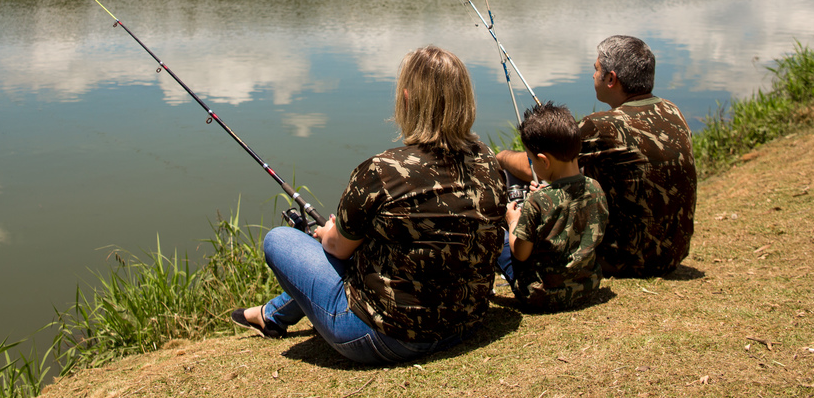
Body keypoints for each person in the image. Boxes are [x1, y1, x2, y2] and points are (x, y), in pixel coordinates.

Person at [232, 45, 506, 364]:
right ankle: (271, 315)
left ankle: (271, 315)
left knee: (280, 240)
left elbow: (338, 251)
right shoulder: (488, 161)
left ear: (406, 99)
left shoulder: (381, 171)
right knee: (368, 241)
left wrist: (329, 234)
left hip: (386, 338)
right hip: (464, 324)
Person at [496, 35, 697, 278]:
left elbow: (539, 168)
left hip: (624, 260)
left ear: (611, 79)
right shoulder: (672, 110)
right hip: (673, 253)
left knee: (513, 181)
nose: (593, 75)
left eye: (596, 69)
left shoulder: (601, 126)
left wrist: (502, 156)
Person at [499, 101, 608, 311]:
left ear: (544, 161)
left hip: (542, 296)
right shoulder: (595, 188)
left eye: (530, 159)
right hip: (587, 286)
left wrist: (513, 222)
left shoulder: (536, 202)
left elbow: (520, 253)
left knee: (498, 237)